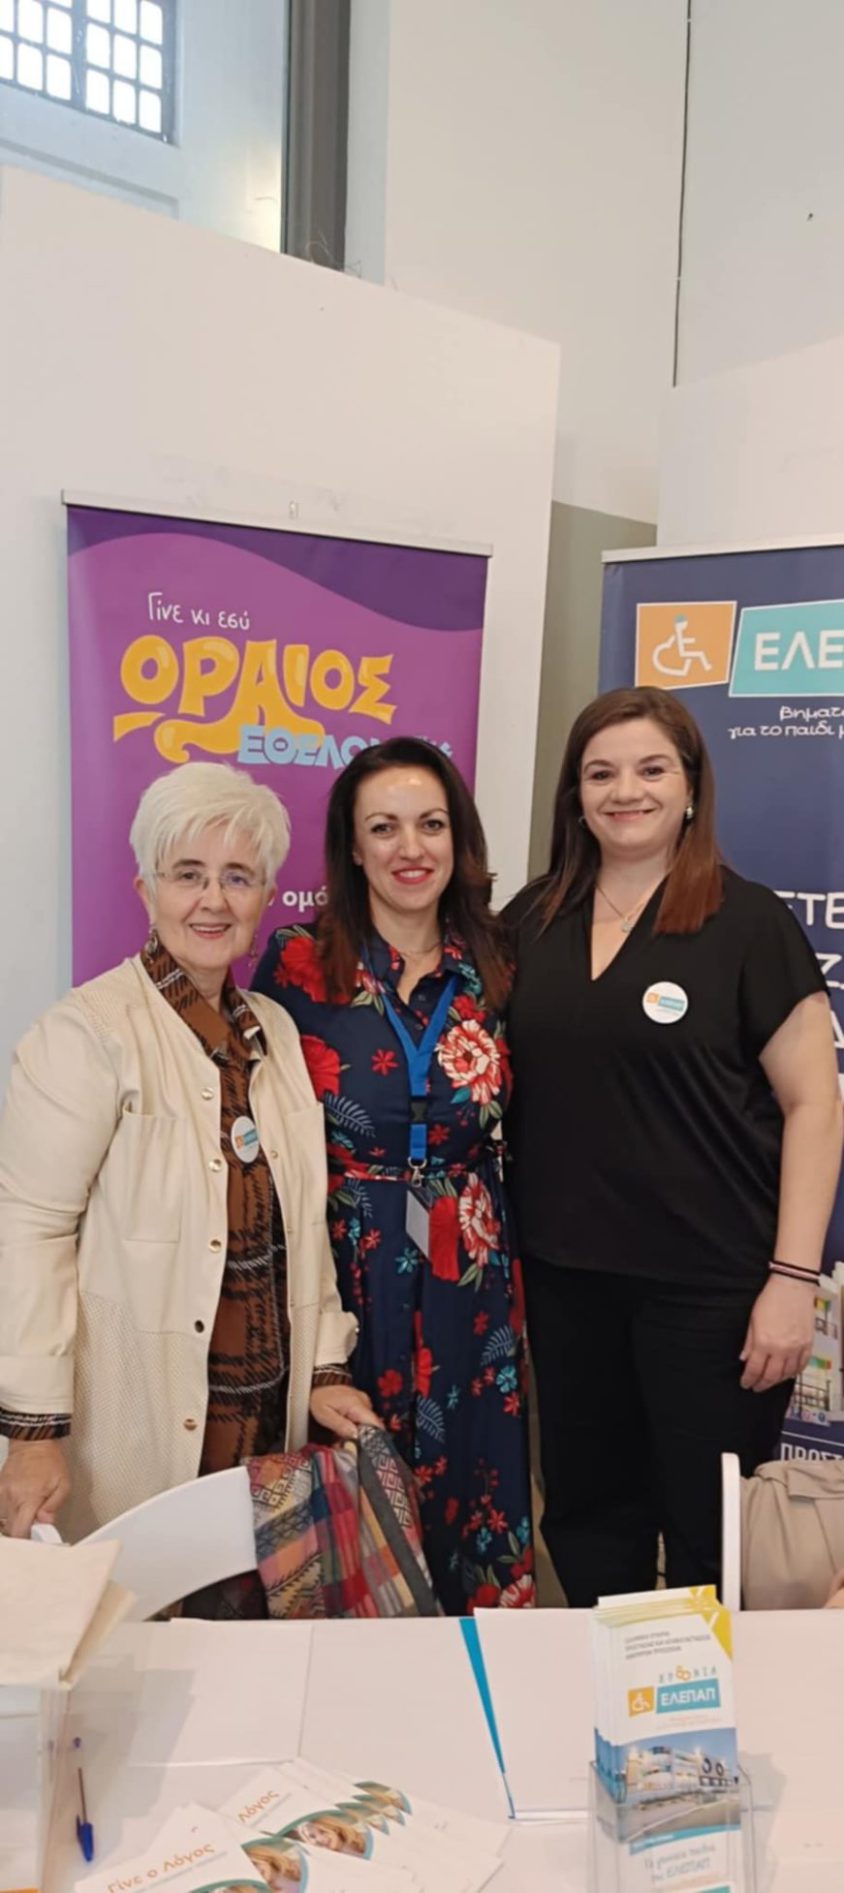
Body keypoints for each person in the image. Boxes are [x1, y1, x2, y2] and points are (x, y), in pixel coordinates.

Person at [504, 686, 842, 1604]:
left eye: (651, 769)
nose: (626, 791)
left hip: (714, 1293)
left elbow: (816, 1105)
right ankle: (609, 1691)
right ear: (575, 795)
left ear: (691, 787)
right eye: (600, 773)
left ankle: (704, 1703)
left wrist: (793, 1279)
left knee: (709, 1533)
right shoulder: (531, 920)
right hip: (567, 1285)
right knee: (587, 1518)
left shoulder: (749, 923)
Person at [0, 762, 376, 1586]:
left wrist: (323, 1367)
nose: (213, 900)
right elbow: (28, 1232)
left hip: (264, 1418)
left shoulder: (273, 1030)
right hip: (137, 1425)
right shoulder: (85, 1033)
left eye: (237, 877)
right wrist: (32, 1431)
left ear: (266, 896)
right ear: (147, 889)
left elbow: (302, 1223)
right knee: (138, 1622)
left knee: (247, 1617)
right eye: (188, 874)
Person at [253, 737, 535, 1614]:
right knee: (347, 1492)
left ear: (458, 838)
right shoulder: (296, 962)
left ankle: (471, 1670)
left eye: (430, 824)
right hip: (346, 1257)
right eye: (384, 827)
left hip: (469, 1262)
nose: (410, 848)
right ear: (352, 844)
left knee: (472, 1482)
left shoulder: (500, 960)